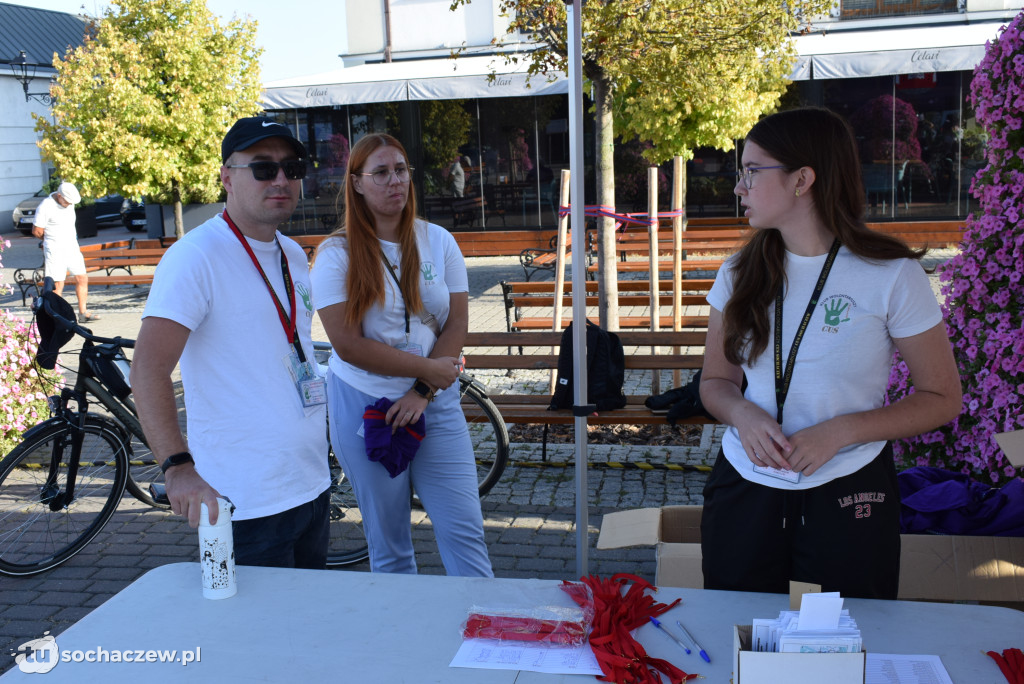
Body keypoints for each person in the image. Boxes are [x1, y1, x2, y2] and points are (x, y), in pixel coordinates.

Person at [698, 107, 962, 600]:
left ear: (803, 179)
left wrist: (841, 432)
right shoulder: (738, 272)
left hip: (850, 486)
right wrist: (744, 417)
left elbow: (942, 396)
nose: (738, 187)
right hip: (746, 486)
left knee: (854, 640)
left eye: (752, 171)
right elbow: (715, 383)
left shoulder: (890, 274)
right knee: (734, 637)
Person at [131, 116, 331, 569]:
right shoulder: (194, 257)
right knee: (250, 638)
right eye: (263, 168)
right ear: (226, 177)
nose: (280, 179)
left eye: (292, 168)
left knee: (307, 630)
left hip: (310, 485)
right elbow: (146, 369)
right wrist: (177, 467)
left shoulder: (293, 254)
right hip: (241, 502)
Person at [310, 133, 493, 577]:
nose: (395, 181)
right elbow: (348, 344)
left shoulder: (438, 240)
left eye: (401, 170)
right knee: (390, 548)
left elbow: (457, 324)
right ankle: (404, 643)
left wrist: (422, 390)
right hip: (365, 402)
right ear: (356, 183)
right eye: (381, 172)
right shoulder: (336, 254)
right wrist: (426, 371)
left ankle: (486, 636)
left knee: (465, 532)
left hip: (434, 401)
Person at [31, 182, 99, 321]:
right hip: (55, 248)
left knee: (82, 278)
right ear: (59, 195)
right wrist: (49, 240)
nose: (69, 204)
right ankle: (57, 316)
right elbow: (36, 230)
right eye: (67, 201)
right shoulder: (46, 206)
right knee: (58, 283)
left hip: (72, 246)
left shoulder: (69, 203)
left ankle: (83, 313)